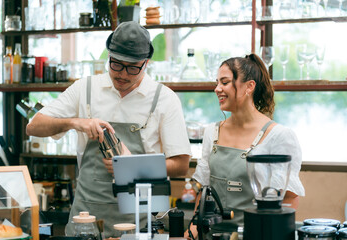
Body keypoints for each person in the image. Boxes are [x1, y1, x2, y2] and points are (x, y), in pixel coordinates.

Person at [26, 21, 191, 237]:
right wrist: (77, 122)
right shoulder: (85, 88)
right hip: (85, 219)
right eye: (116, 64)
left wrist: (134, 167)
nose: (122, 74)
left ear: (146, 63)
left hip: (138, 222)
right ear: (109, 56)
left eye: (132, 68)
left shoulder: (164, 99)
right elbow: (33, 126)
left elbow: (181, 165)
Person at [186, 53, 305, 238]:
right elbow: (204, 190)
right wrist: (194, 226)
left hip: (254, 234)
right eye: (216, 83)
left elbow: (289, 199)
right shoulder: (212, 132)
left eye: (224, 82)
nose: (217, 89)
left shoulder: (278, 136)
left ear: (249, 86)